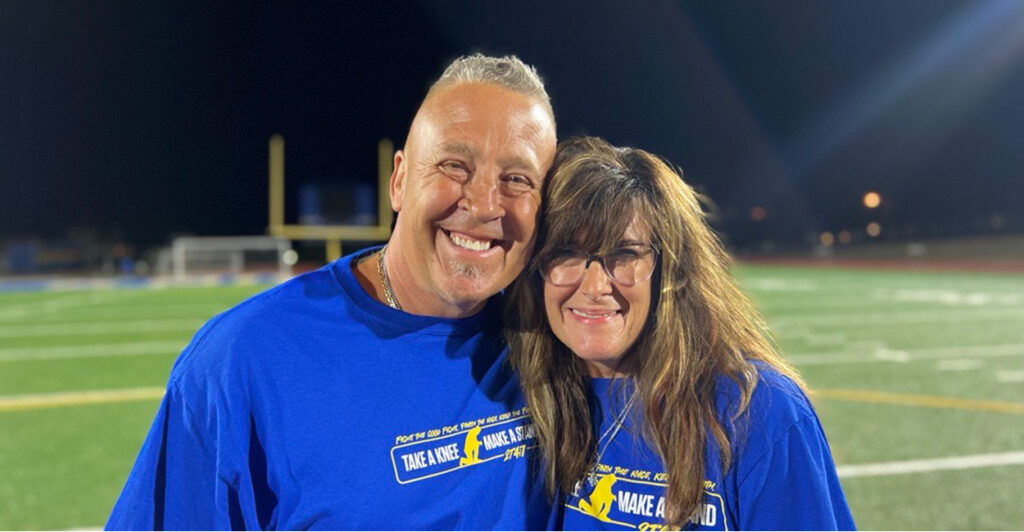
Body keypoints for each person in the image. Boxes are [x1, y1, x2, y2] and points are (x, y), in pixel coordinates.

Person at [107, 54, 558, 530]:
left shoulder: (555, 343)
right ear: (400, 181)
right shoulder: (241, 359)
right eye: (455, 165)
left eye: (517, 180)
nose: (486, 203)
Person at [505, 137, 855, 530]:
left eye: (625, 254)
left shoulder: (757, 412)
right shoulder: (530, 397)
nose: (595, 286)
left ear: (670, 269)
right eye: (565, 253)